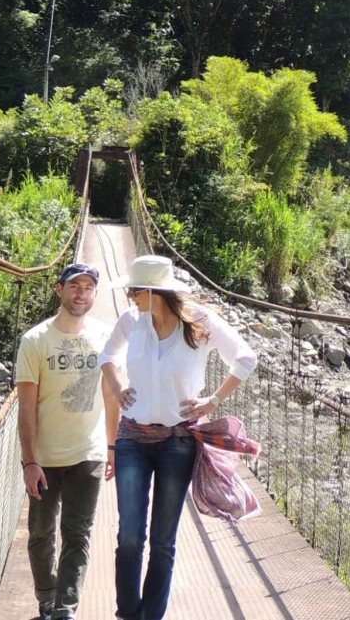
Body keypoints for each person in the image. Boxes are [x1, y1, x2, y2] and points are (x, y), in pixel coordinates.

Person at [98, 255, 258, 620]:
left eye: (134, 291)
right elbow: (106, 356)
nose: (130, 297)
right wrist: (117, 386)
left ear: (153, 291)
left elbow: (246, 358)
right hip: (132, 439)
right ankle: (128, 613)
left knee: (162, 541)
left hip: (179, 442)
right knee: (130, 537)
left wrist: (212, 401)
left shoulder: (201, 323)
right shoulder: (131, 322)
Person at [14, 262, 119, 620]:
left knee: (77, 535)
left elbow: (110, 396)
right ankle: (46, 595)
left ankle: (64, 609)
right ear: (59, 290)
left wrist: (112, 446)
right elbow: (26, 406)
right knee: (41, 534)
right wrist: (29, 461)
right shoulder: (35, 340)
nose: (81, 293)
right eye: (75, 286)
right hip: (43, 456)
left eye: (89, 287)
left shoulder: (106, 337)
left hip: (86, 454)